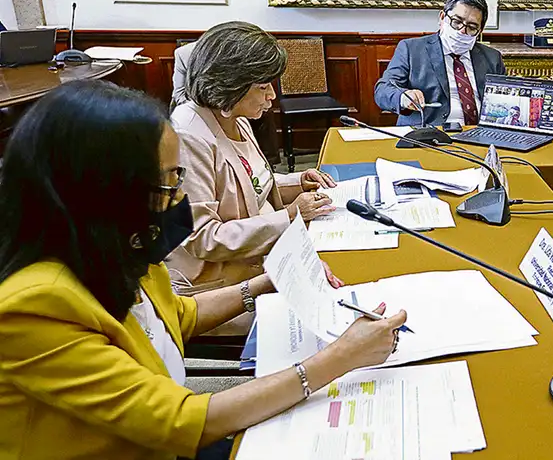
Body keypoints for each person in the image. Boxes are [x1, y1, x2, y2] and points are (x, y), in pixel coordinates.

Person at [0, 80, 406, 459]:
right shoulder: (36, 306)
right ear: (99, 192)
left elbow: (176, 316)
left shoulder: (117, 251)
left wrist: (264, 284)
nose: (180, 199)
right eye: (168, 185)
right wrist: (339, 358)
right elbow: (182, 420)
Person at [170, 22, 340, 299]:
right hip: (221, 286)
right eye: (263, 87)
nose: (272, 96)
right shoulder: (187, 136)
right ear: (230, 86)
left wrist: (298, 181)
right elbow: (202, 238)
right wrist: (289, 215)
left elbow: (250, 186)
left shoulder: (233, 113)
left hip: (262, 256)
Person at [374, 0, 505, 127]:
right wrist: (403, 97)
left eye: (471, 27)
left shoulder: (492, 58)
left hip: (480, 134)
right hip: (428, 133)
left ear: (480, 31)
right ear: (442, 17)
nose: (461, 31)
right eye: (456, 21)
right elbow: (383, 90)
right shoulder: (411, 49)